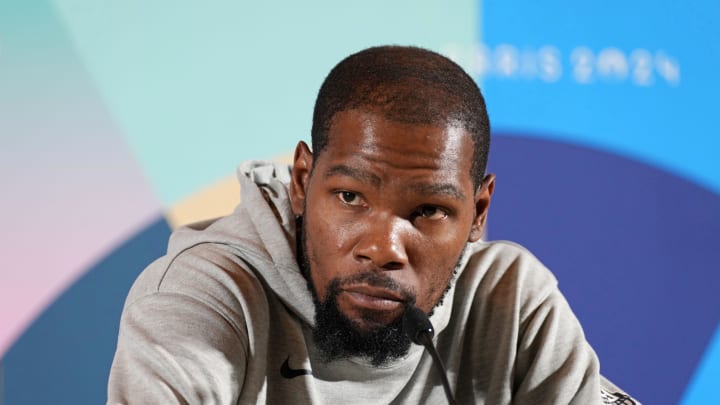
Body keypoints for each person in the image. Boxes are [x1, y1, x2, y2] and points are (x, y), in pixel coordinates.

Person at [108, 45, 634, 404]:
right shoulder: (202, 297)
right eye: (351, 196)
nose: (383, 248)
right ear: (301, 181)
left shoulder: (511, 300)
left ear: (478, 213)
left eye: (428, 210)